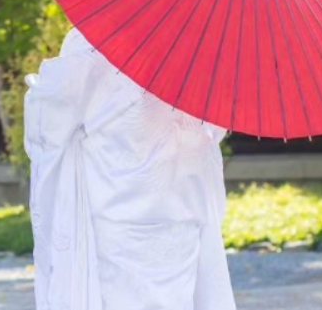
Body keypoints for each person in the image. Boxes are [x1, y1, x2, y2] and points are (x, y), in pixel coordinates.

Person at [24, 28, 236, 310]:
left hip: (118, 210)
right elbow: (210, 131)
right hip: (177, 212)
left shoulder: (96, 36)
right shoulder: (203, 46)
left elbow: (52, 119)